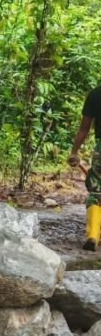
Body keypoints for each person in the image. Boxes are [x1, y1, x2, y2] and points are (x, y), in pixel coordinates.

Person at [68, 85, 101, 250]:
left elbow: (84, 128)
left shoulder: (95, 94)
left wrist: (74, 151)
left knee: (96, 193)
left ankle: (93, 235)